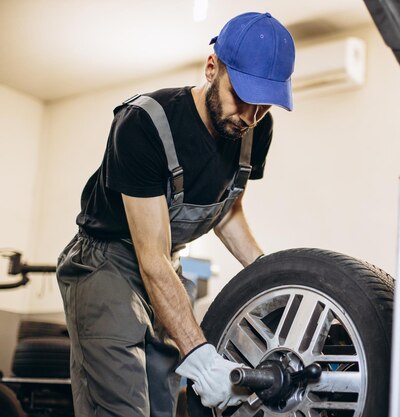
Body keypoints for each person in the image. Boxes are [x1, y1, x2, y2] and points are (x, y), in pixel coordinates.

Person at [55, 12, 295, 417]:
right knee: (122, 406)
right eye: (243, 97)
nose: (250, 117)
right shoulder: (144, 124)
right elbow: (150, 257)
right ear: (211, 67)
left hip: (168, 261)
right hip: (108, 262)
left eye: (264, 105)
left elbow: (228, 209)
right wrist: (200, 356)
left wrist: (269, 280)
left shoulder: (256, 128)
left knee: (162, 405)